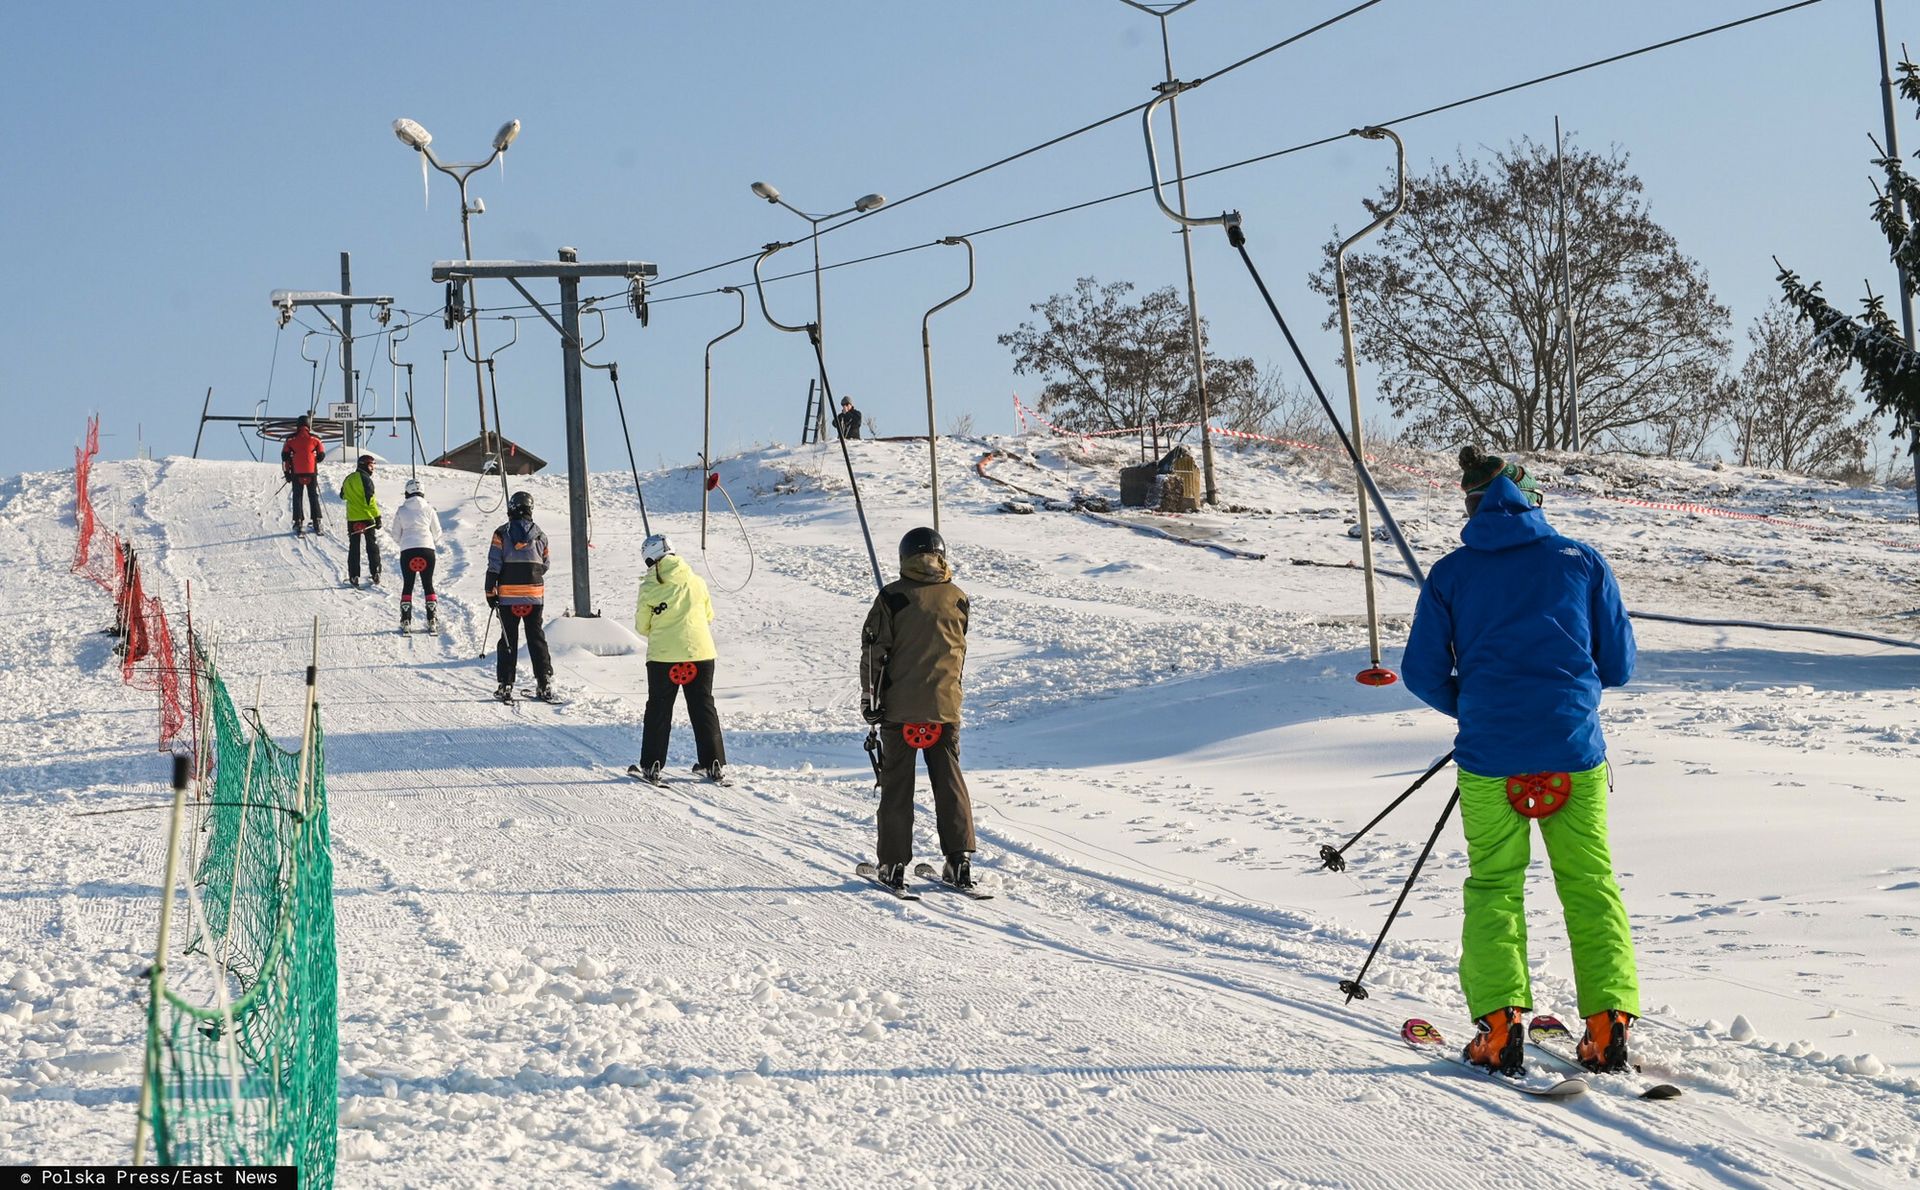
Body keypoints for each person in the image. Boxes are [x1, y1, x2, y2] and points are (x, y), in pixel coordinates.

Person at [1402, 446, 1639, 1077]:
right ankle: (1606, 1022)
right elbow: (1618, 666)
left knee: (1494, 887)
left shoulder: (1451, 575)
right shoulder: (1582, 563)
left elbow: (1421, 672)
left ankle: (1500, 1028)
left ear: (1472, 506)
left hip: (1490, 760)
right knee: (1590, 885)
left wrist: (1475, 706)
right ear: (1532, 500)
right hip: (1572, 755)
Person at [860, 527, 977, 891]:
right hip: (945, 708)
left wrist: (871, 702)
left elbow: (874, 655)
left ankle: (893, 865)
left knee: (897, 784)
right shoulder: (958, 598)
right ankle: (959, 862)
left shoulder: (892, 598)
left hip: (900, 710)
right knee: (949, 782)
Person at [632, 534, 726, 784]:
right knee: (703, 705)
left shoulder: (650, 586)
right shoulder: (697, 581)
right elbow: (708, 615)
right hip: (702, 654)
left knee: (659, 708)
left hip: (664, 657)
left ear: (649, 559)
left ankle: (652, 764)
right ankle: (713, 762)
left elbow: (642, 626)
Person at [485, 490, 552, 702]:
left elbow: (494, 563)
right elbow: (545, 564)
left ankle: (506, 684)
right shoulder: (541, 535)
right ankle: (544, 683)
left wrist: (490, 591)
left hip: (508, 597)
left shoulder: (501, 533)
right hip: (534, 596)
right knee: (536, 637)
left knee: (508, 639)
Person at [391, 477, 443, 633]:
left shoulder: (401, 510)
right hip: (427, 549)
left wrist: (404, 542)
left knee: (408, 585)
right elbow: (438, 532)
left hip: (408, 550)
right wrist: (430, 541)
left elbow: (395, 533)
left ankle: (406, 620)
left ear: (407, 493)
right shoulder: (429, 509)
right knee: (428, 584)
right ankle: (432, 619)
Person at [338, 454, 382, 587]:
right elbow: (370, 500)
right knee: (371, 545)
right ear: (364, 465)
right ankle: (375, 572)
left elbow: (342, 495)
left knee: (354, 547)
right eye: (371, 466)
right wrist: (377, 516)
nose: (372, 469)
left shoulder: (349, 478)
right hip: (367, 517)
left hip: (353, 519)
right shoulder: (366, 479)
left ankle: (354, 575)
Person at [281, 414, 327, 535]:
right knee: (313, 495)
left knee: (297, 496)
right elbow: (321, 455)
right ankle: (317, 521)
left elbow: (285, 458)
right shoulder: (316, 438)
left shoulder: (290, 439)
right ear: (308, 425)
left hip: (297, 473)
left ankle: (298, 521)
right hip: (311, 472)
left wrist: (287, 473)